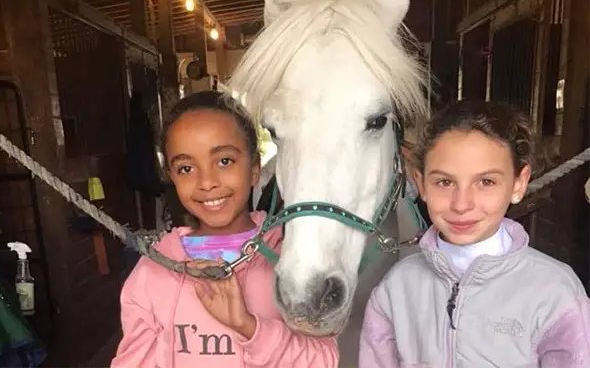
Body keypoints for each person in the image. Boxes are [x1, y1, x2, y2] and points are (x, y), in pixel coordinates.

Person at [111, 91, 338, 367]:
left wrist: (249, 327)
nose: (206, 182)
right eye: (186, 168)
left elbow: (324, 359)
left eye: (224, 161)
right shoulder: (153, 270)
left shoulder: (290, 259)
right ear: (172, 177)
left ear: (255, 167)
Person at [359, 100, 590, 367]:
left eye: (486, 182)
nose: (461, 204)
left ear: (519, 183)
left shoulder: (555, 291)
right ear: (421, 183)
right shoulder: (396, 289)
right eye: (444, 182)